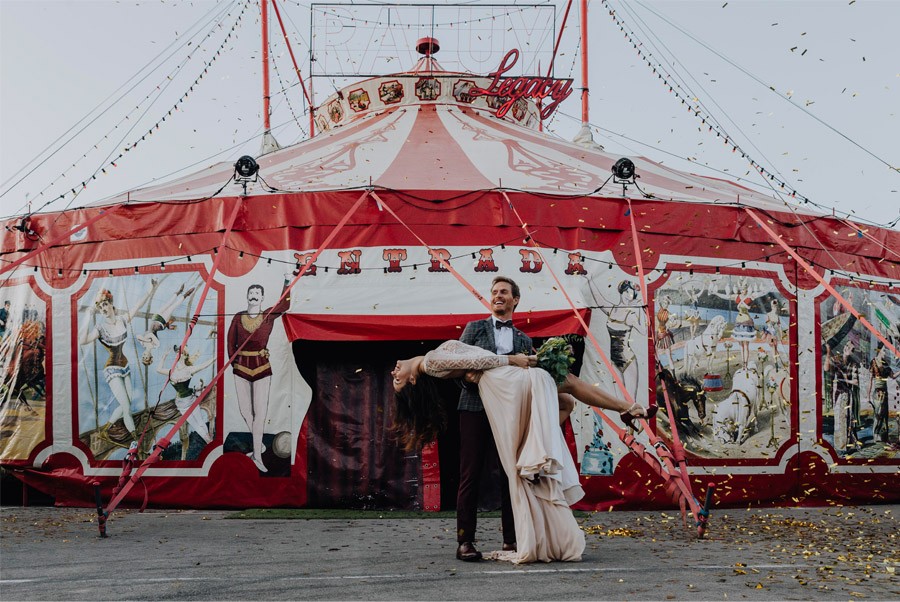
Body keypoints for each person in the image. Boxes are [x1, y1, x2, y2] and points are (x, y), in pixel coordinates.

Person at [390, 340, 651, 564]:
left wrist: (528, 359)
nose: (394, 373)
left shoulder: (432, 359)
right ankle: (625, 408)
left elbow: (472, 363)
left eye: (394, 377)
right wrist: (517, 360)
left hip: (499, 381)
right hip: (501, 380)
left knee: (566, 401)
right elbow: (479, 359)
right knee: (567, 383)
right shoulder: (430, 363)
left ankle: (535, 445)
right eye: (398, 381)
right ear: (413, 379)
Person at [454, 276, 531, 562]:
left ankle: (512, 540)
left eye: (504, 292)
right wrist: (466, 379)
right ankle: (465, 541)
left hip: (510, 411)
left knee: (511, 474)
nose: (498, 295)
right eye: (494, 292)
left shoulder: (524, 340)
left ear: (515, 300)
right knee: (469, 473)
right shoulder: (474, 328)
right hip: (474, 406)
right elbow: (455, 365)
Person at [79, 281, 159, 442]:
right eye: (100, 308)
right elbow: (83, 340)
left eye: (105, 305)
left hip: (125, 366)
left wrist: (151, 290)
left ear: (111, 304)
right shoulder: (100, 328)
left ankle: (106, 428)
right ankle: (135, 438)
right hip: (111, 369)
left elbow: (137, 306)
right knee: (127, 407)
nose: (103, 309)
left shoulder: (122, 319)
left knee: (126, 403)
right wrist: (88, 317)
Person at [227, 280, 290, 473]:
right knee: (246, 411)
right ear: (247, 296)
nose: (254, 295)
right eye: (251, 292)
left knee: (260, 414)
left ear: (262, 297)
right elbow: (231, 343)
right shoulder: (238, 317)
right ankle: (259, 443)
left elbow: (285, 304)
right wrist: (234, 362)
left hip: (262, 367)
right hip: (241, 367)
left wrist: (287, 282)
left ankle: (257, 455)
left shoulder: (268, 316)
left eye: (257, 292)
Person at [156, 345, 215, 444]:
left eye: (181, 353)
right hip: (181, 404)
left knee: (200, 422)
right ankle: (209, 441)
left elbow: (204, 365)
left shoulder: (189, 369)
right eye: (177, 353)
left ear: (185, 356)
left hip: (190, 400)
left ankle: (210, 441)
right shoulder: (171, 371)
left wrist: (216, 358)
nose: (178, 354)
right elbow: (158, 369)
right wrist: (164, 357)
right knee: (195, 425)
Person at [137, 281, 197, 365]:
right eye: (146, 358)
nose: (144, 356)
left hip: (154, 318)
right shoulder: (156, 346)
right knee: (173, 306)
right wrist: (145, 339)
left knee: (168, 303)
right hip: (161, 322)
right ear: (150, 356)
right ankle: (186, 295)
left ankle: (179, 292)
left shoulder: (143, 344)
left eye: (143, 358)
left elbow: (138, 336)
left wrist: (145, 339)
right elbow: (151, 335)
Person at [867, 343, 897, 446]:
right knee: (878, 413)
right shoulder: (874, 362)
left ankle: (883, 435)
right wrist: (868, 395)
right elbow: (870, 380)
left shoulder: (886, 364)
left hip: (885, 392)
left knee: (884, 414)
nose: (886, 353)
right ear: (879, 350)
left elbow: (893, 376)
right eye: (884, 350)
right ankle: (876, 434)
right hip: (877, 392)